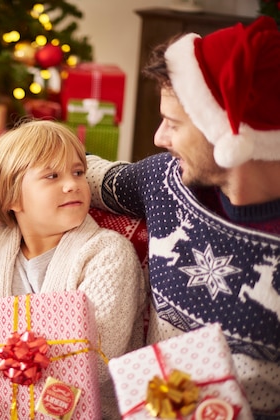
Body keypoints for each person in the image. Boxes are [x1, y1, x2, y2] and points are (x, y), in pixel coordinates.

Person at [85, 17, 280, 418]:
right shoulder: (164, 179)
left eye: (173, 124)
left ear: (229, 134)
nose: (159, 137)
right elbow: (81, 175)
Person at [0, 119, 148, 420]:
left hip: (82, 410)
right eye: (52, 175)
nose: (72, 184)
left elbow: (96, 359)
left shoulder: (107, 253)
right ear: (12, 197)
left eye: (78, 172)